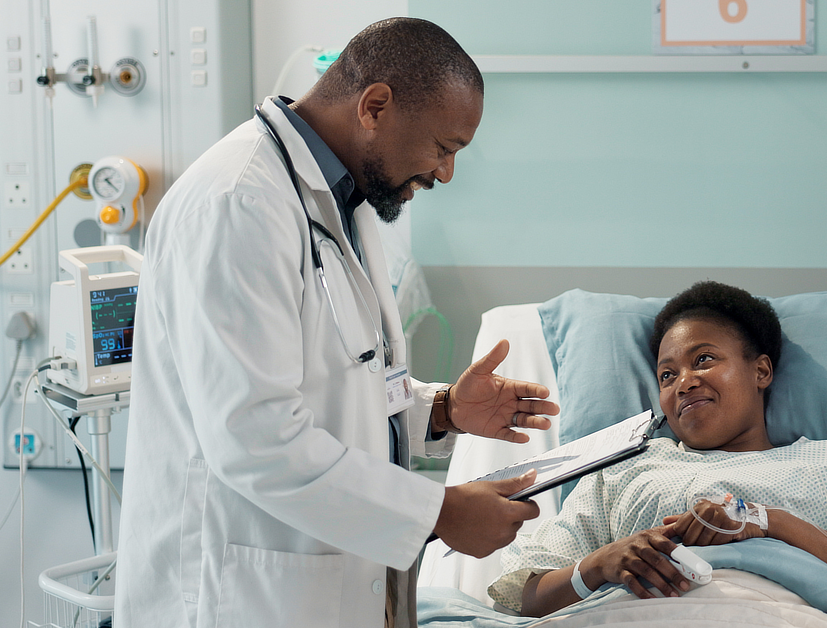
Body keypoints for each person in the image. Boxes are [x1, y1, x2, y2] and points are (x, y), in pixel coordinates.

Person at [113, 18, 558, 628]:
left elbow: (339, 384)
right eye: (444, 147)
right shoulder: (238, 204)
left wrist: (443, 409)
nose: (445, 173)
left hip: (319, 586)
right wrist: (440, 513)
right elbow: (256, 438)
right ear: (374, 106)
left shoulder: (341, 201)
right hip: (235, 596)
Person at [488, 281, 827, 618]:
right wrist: (600, 564)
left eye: (703, 360)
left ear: (761, 371)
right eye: (667, 375)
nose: (684, 382)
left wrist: (764, 522)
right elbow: (525, 596)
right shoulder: (622, 470)